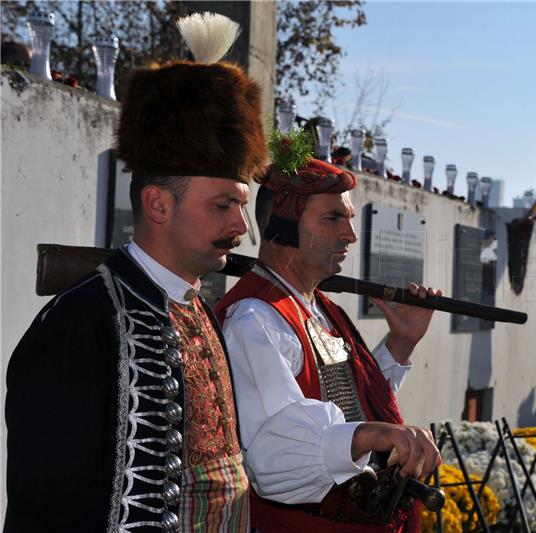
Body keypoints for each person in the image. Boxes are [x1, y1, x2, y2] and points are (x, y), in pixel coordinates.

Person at [4, 13, 268, 532]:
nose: (241, 225)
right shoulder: (76, 325)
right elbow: (46, 509)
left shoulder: (199, 311)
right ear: (158, 204)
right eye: (222, 205)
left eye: (241, 205)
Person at [216, 130, 442, 532]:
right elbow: (273, 455)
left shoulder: (321, 309)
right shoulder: (255, 320)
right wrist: (370, 436)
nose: (350, 235)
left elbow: (354, 407)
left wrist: (401, 344)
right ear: (284, 226)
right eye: (333, 218)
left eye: (349, 220)